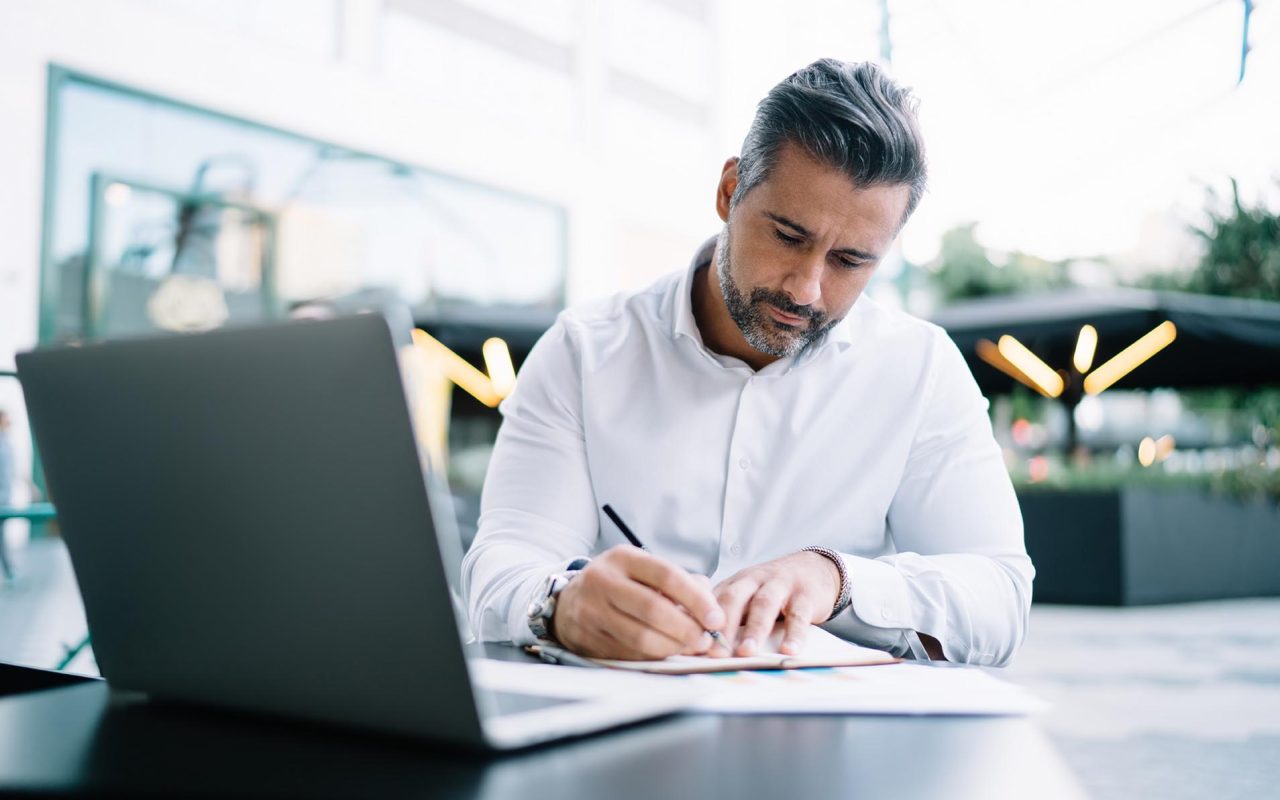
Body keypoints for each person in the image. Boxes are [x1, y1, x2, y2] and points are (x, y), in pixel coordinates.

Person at [462, 59, 1033, 667]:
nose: (807, 289)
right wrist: (560, 603)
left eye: (851, 261)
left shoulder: (920, 369)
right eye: (788, 236)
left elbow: (998, 600)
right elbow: (502, 567)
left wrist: (838, 581)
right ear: (730, 191)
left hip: (835, 743)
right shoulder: (583, 351)